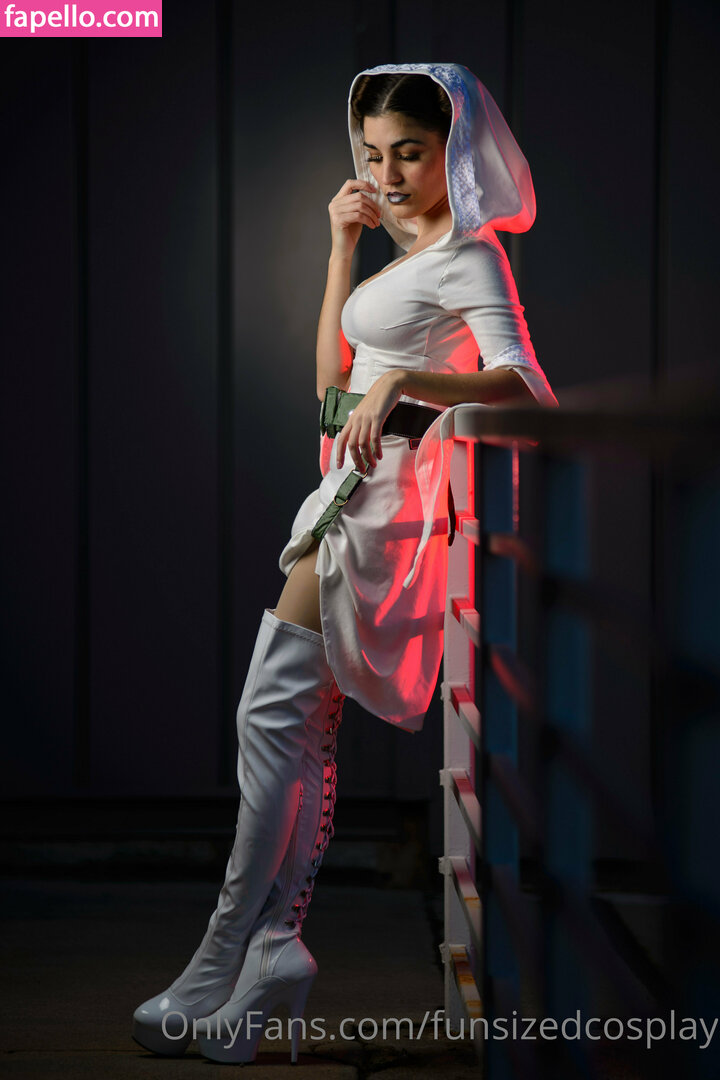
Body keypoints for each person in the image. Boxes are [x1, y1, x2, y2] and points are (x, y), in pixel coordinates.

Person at [132, 61, 558, 1066]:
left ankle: (228, 955)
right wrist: (339, 250)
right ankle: (264, 951)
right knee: (295, 730)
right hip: (345, 486)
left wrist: (408, 380)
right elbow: (330, 390)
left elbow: (530, 388)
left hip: (384, 506)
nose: (388, 173)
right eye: (372, 154)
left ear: (452, 153)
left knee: (274, 719)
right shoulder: (401, 258)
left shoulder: (470, 256)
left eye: (410, 152)